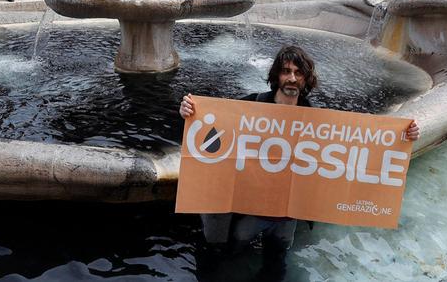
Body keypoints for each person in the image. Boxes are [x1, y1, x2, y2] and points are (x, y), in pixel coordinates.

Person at [179, 47, 419, 280]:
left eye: (298, 72)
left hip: (287, 217)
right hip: (250, 211)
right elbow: (209, 130)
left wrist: (403, 136)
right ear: (276, 75)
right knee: (228, 256)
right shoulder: (250, 107)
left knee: (275, 265)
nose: (292, 78)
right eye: (286, 71)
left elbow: (360, 150)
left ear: (306, 78)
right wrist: (190, 112)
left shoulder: (319, 121)